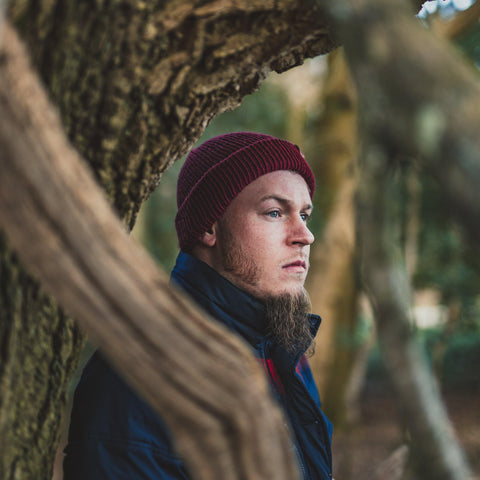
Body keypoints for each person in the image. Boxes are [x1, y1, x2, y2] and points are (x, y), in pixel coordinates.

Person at [63, 132, 333, 479]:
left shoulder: (283, 352)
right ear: (209, 226)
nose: (304, 235)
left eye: (305, 215)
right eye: (275, 212)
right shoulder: (142, 372)